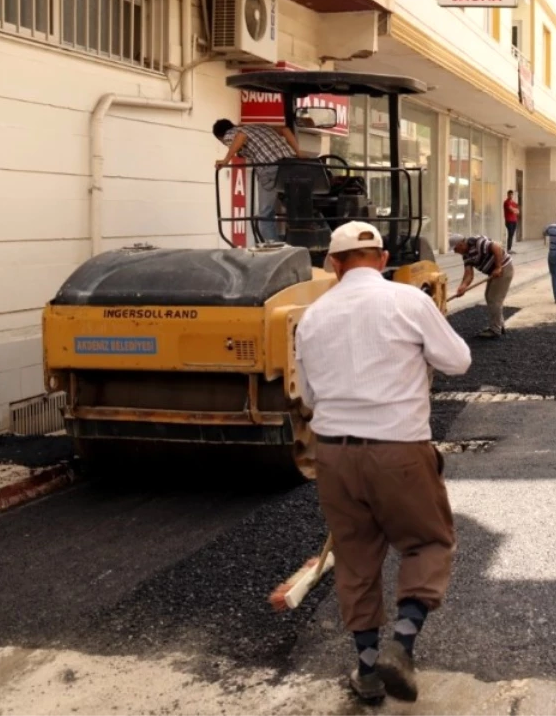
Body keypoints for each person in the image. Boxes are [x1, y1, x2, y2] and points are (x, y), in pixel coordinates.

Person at [294, 221, 472, 705]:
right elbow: (458, 360)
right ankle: (403, 645)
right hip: (399, 448)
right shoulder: (409, 300)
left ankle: (368, 671)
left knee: (354, 557)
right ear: (382, 257)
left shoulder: (311, 316)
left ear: (334, 264)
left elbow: (307, 395)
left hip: (333, 453)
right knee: (427, 542)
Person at [213, 119, 300, 243]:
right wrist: (300, 154)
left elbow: (241, 136)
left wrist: (226, 159)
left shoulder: (232, 133)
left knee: (265, 213)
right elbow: (285, 130)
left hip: (271, 169)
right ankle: (300, 236)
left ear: (220, 137)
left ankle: (273, 245)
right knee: (296, 207)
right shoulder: (261, 126)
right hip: (293, 166)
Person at [451, 233, 514, 339]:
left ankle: (495, 329)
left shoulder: (477, 242)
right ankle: (499, 325)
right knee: (489, 296)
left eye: (455, 249)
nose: (455, 251)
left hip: (504, 269)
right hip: (493, 272)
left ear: (461, 244)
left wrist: (498, 267)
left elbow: (496, 247)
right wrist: (463, 286)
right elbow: (469, 274)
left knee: (494, 299)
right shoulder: (466, 255)